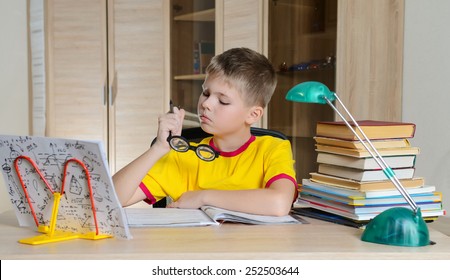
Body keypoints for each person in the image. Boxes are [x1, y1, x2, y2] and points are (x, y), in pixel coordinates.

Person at [112, 47, 297, 216]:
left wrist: (203, 197)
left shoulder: (273, 149)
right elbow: (109, 199)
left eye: (223, 101)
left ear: (253, 114)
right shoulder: (182, 157)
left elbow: (279, 203)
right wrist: (158, 149)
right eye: (206, 93)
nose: (206, 104)